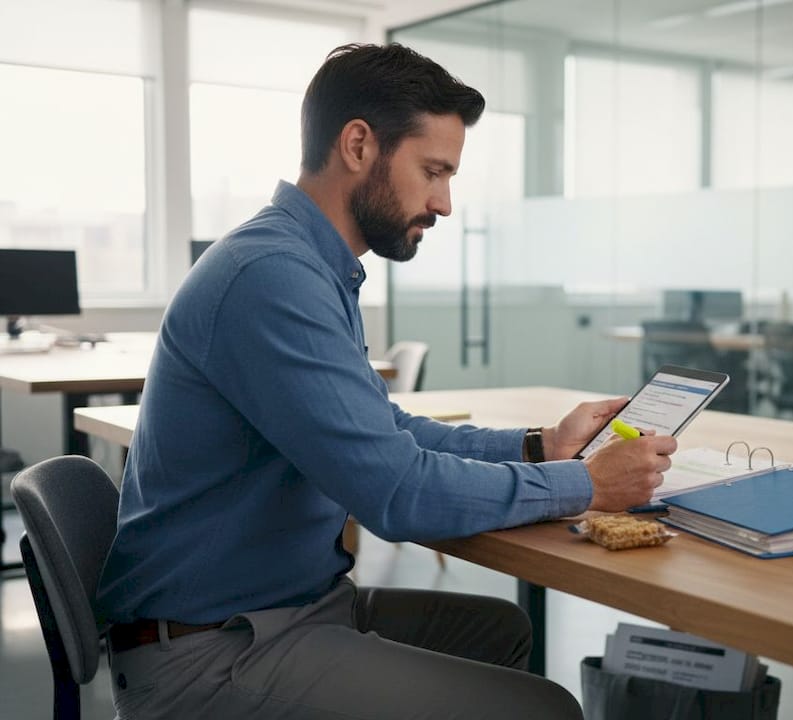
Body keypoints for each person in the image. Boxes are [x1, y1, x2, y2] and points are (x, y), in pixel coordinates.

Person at [96, 43, 676, 719]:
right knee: (544, 709)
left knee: (501, 631)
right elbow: (397, 493)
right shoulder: (271, 277)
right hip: (212, 656)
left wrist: (539, 446)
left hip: (284, 611)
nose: (445, 203)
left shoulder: (309, 265)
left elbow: (385, 431)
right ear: (359, 145)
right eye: (433, 171)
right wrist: (588, 484)